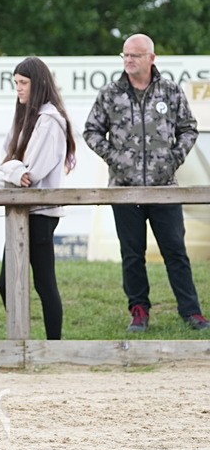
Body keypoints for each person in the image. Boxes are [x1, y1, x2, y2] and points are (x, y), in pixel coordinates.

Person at [84, 34, 209, 332]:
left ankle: (191, 312)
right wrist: (116, 158)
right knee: (132, 254)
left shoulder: (170, 91)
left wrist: (172, 159)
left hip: (164, 188)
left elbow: (189, 129)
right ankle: (139, 311)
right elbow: (91, 132)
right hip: (124, 190)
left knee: (176, 251)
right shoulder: (110, 94)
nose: (129, 60)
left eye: (135, 55)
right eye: (125, 55)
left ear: (151, 58)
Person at [0, 57, 76, 340]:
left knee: (43, 283)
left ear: (38, 83)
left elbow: (33, 172)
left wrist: (12, 170)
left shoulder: (50, 121)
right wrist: (13, 169)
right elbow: (8, 161)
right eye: (16, 82)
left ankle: (53, 344)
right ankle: (23, 340)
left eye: (23, 83)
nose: (18, 88)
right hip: (20, 210)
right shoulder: (24, 117)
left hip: (40, 212)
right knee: (7, 283)